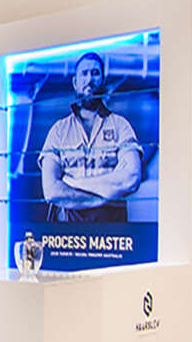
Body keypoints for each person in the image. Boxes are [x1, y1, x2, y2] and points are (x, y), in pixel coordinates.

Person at [39, 51, 144, 222]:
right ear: (75, 82)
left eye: (95, 73)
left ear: (103, 80)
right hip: (67, 231)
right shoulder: (58, 131)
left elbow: (131, 179)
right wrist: (105, 195)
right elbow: (51, 191)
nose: (89, 79)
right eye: (84, 73)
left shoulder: (120, 126)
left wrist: (71, 183)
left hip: (111, 230)